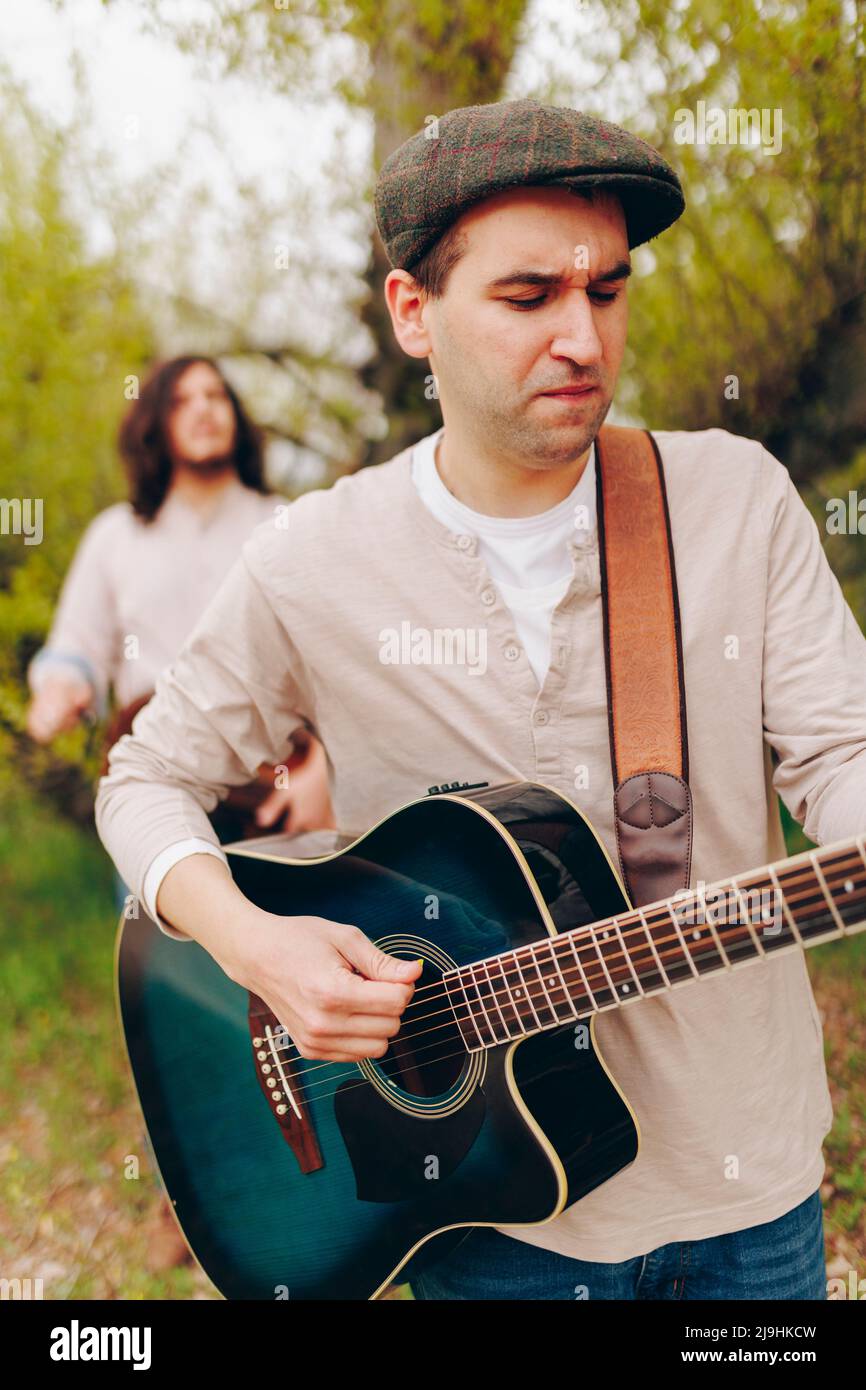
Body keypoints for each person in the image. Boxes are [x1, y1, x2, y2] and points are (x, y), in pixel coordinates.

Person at [94, 99, 866, 1300]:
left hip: (743, 1202)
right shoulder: (314, 558)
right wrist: (260, 949)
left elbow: (840, 753)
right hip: (480, 1222)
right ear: (414, 313)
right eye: (528, 299)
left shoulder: (732, 500)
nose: (581, 339)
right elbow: (146, 782)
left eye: (604, 292)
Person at [27, 354, 334, 858]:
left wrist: (322, 771)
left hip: (273, 793)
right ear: (154, 424)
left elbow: (335, 660)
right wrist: (59, 692)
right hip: (153, 780)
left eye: (215, 395)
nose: (203, 409)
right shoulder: (116, 535)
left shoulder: (285, 523)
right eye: (181, 401)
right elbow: (77, 647)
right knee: (157, 936)